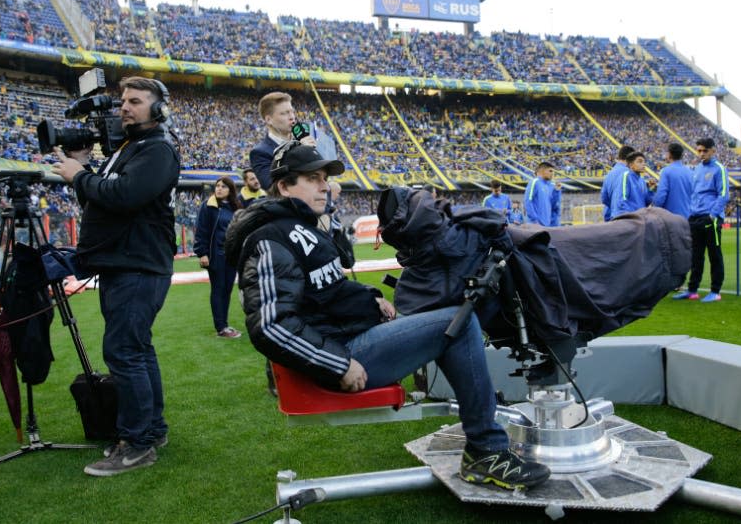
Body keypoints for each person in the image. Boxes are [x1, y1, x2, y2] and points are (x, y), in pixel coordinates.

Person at [227, 142, 551, 491]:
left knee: (447, 314)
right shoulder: (271, 238)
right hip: (343, 355)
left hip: (346, 338)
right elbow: (271, 326)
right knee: (458, 322)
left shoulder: (300, 226)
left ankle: (480, 408)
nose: (324, 185)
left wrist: (370, 297)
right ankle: (487, 449)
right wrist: (338, 365)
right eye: (311, 178)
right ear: (284, 186)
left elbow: (326, 292)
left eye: (324, 178)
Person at [51, 77, 179, 477]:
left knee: (124, 352)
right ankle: (151, 431)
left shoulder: (157, 149)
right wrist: (83, 174)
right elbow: (99, 198)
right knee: (137, 350)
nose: (125, 107)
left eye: (136, 101)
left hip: (137, 265)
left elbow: (124, 197)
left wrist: (79, 175)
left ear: (157, 110)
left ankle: (137, 444)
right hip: (125, 263)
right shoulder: (129, 148)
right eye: (124, 100)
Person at [673, 138, 729, 303]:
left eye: (705, 150)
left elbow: (724, 194)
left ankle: (715, 291)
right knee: (695, 255)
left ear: (713, 151)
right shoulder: (696, 169)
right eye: (699, 150)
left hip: (710, 218)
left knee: (714, 255)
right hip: (695, 216)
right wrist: (691, 212)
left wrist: (712, 215)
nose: (701, 154)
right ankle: (692, 290)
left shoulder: (719, 169)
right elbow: (694, 194)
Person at [194, 176, 242, 338]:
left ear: (230, 190)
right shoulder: (208, 206)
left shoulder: (235, 207)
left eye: (223, 186)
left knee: (227, 290)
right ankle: (221, 328)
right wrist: (202, 253)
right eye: (217, 186)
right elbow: (201, 231)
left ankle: (225, 324)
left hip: (231, 256)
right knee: (218, 289)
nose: (219, 188)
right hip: (216, 255)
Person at [249, 92, 316, 190]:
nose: (292, 117)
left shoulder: (302, 140)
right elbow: (271, 187)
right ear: (269, 120)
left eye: (292, 112)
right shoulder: (260, 152)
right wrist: (300, 153)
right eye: (284, 113)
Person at [653, 143, 693, 220]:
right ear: (682, 155)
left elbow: (661, 196)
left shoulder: (666, 171)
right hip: (687, 217)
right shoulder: (690, 172)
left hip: (670, 218)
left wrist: (654, 208)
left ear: (669, 154)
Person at [610, 151, 654, 219]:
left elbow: (647, 202)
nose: (643, 164)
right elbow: (621, 200)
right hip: (627, 220)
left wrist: (651, 189)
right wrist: (630, 218)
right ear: (631, 165)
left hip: (638, 219)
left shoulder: (642, 181)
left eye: (644, 162)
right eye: (640, 161)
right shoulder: (626, 176)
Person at [601, 145, 636, 221]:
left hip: (610, 216)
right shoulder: (630, 174)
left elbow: (604, 198)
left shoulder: (609, 174)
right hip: (628, 218)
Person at [524, 162, 561, 226]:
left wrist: (556, 191)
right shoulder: (535, 182)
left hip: (548, 225)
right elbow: (528, 201)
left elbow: (554, 206)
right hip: (536, 225)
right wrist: (534, 221)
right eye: (550, 171)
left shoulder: (552, 185)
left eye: (553, 172)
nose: (552, 174)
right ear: (542, 171)